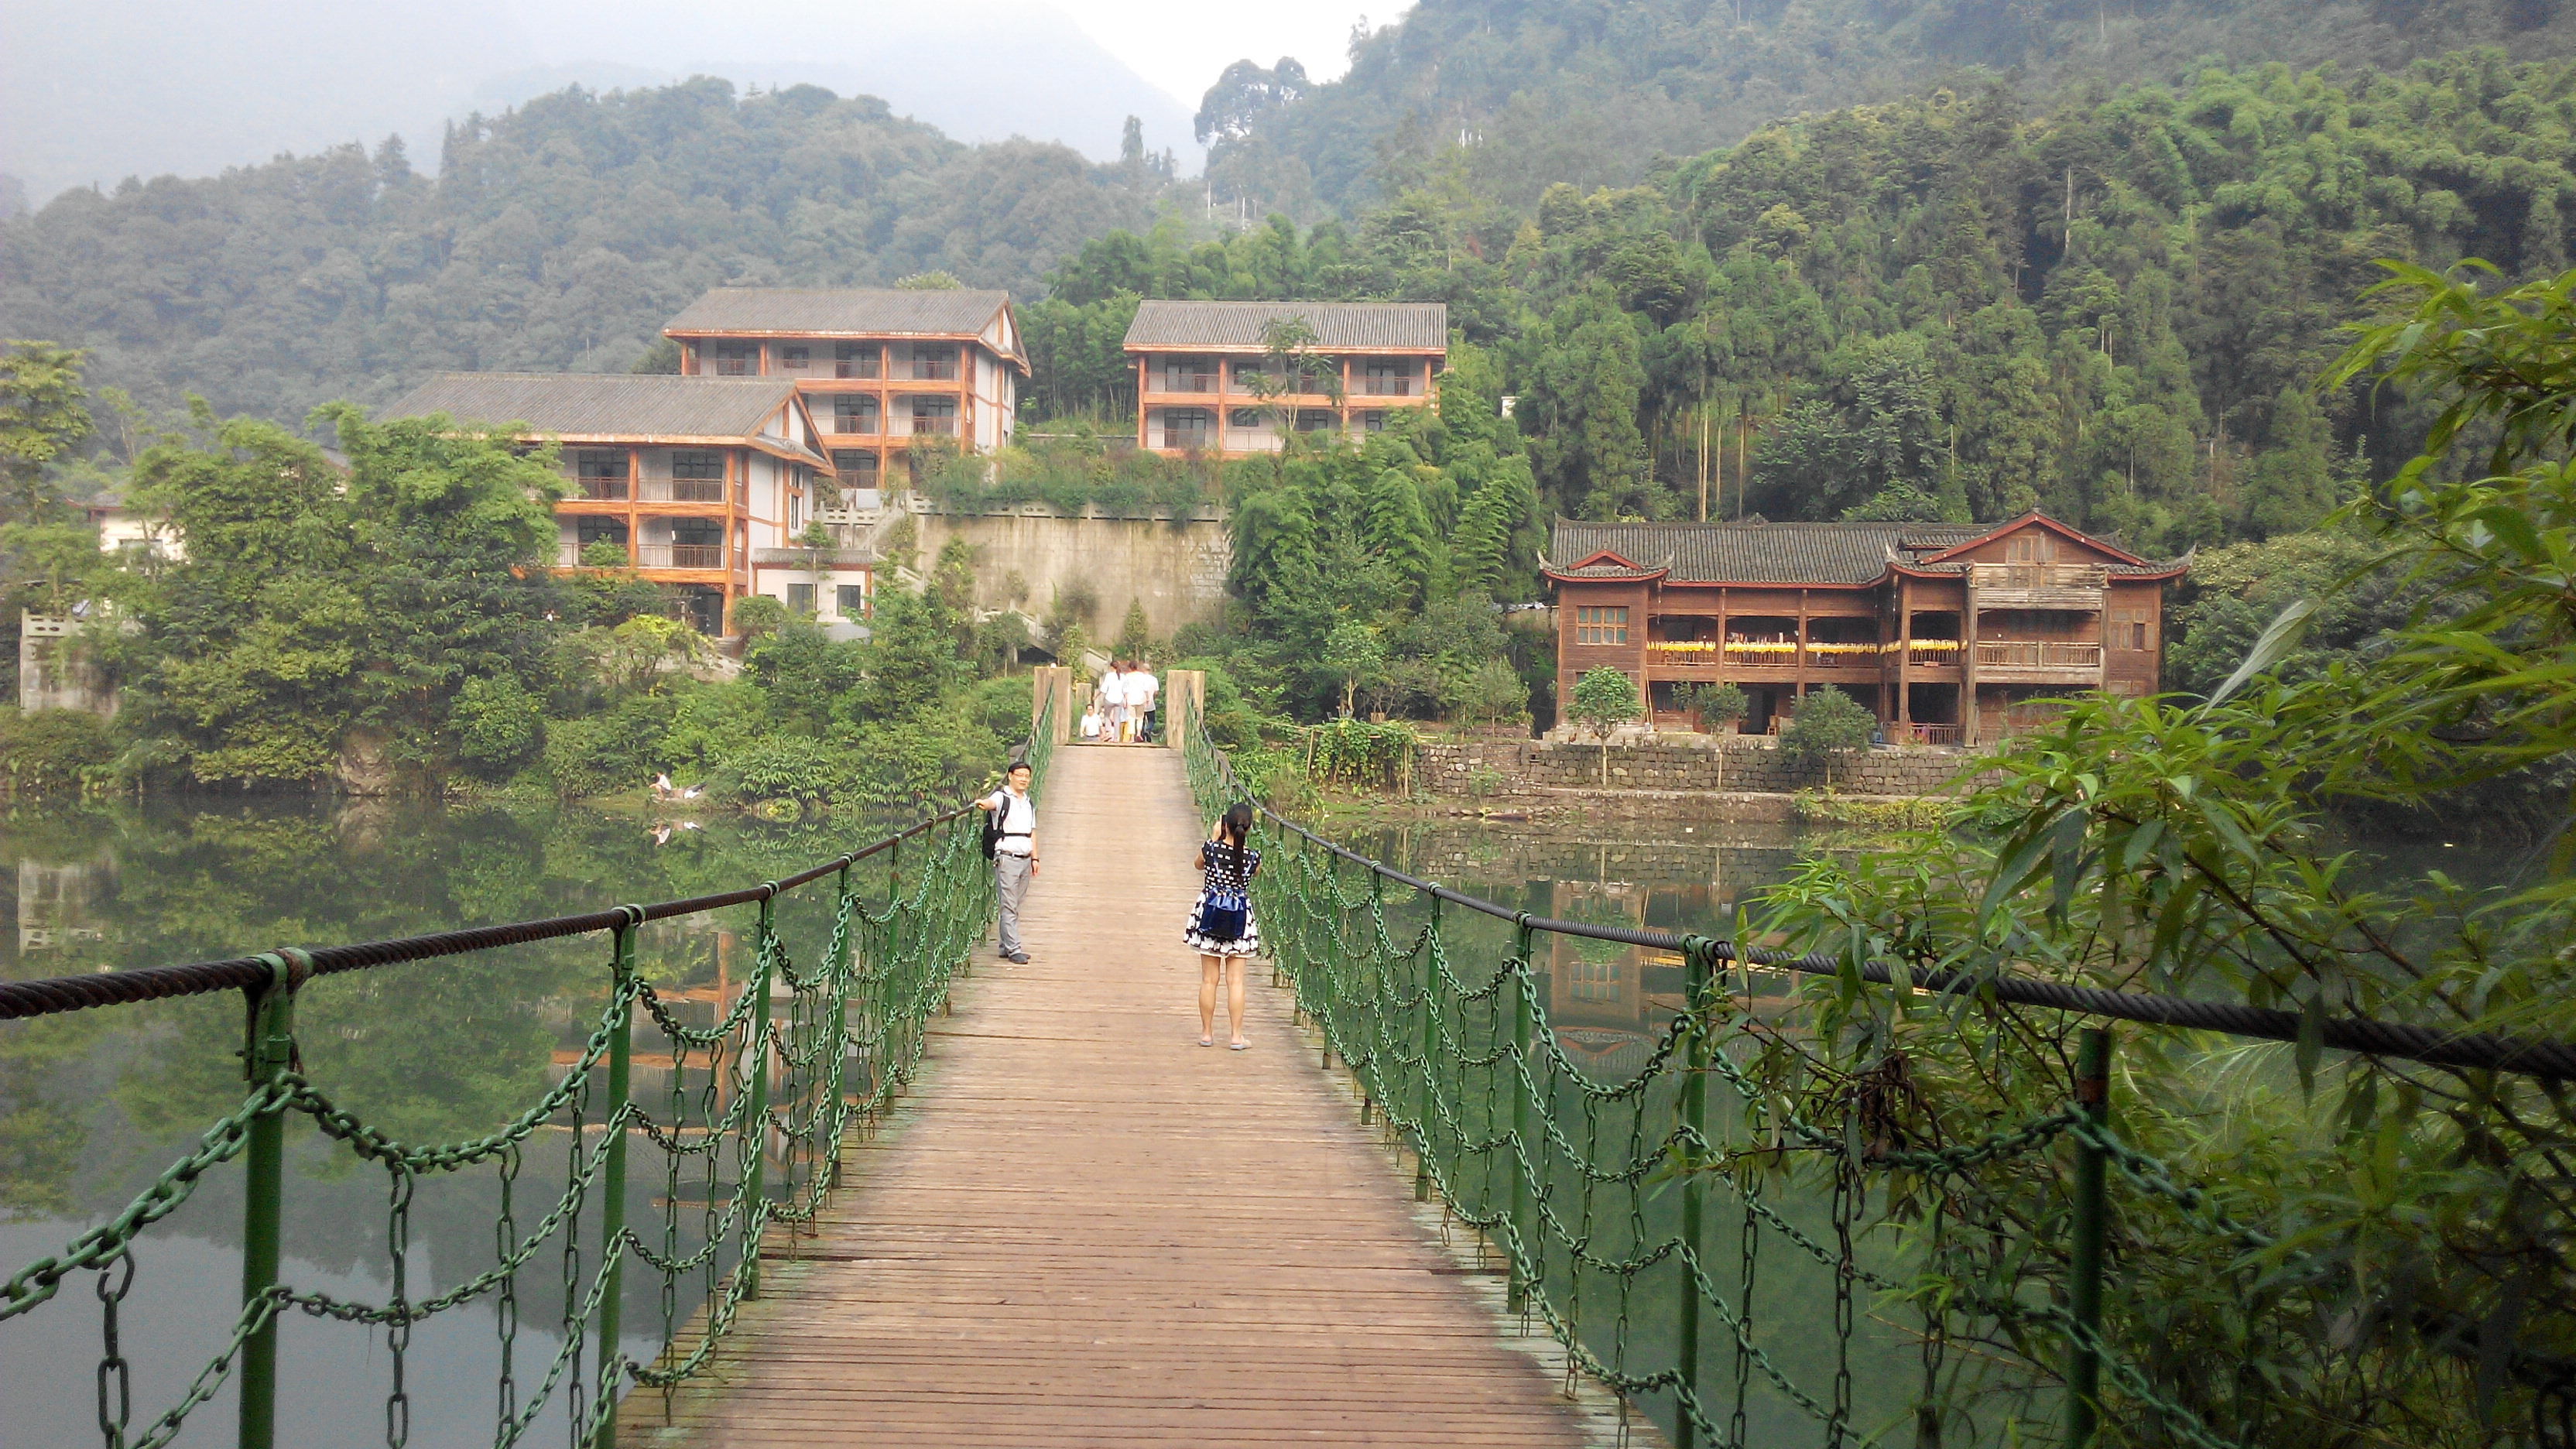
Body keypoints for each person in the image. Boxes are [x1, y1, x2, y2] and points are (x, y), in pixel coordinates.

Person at [1184, 801, 1262, 1049]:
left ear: (1225, 825)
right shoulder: (1252, 858)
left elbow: (1198, 864)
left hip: (1210, 915)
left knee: (1209, 979)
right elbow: (1254, 871)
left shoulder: (1211, 849)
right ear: (1247, 830)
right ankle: (1236, 1037)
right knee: (1236, 981)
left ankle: (1207, 1034)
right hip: (1239, 918)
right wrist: (1240, 842)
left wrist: (1216, 838)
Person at [975, 760, 1039, 963]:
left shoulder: (1028, 802)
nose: (1024, 779)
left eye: (1027, 776)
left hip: (1025, 858)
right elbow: (991, 804)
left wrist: (1035, 858)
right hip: (1007, 857)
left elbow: (1032, 832)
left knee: (1014, 904)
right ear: (1010, 776)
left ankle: (1005, 945)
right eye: (1019, 775)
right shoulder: (1002, 797)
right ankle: (1014, 949)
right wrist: (982, 804)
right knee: (1009, 905)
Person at [1129, 662, 1160, 744]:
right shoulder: (1154, 679)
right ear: (1150, 670)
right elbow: (1156, 692)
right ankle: (1148, 730)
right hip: (1150, 703)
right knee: (1151, 720)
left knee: (1140, 720)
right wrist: (1153, 697)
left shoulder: (1140, 678)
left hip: (1139, 701)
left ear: (1143, 669)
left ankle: (1141, 736)